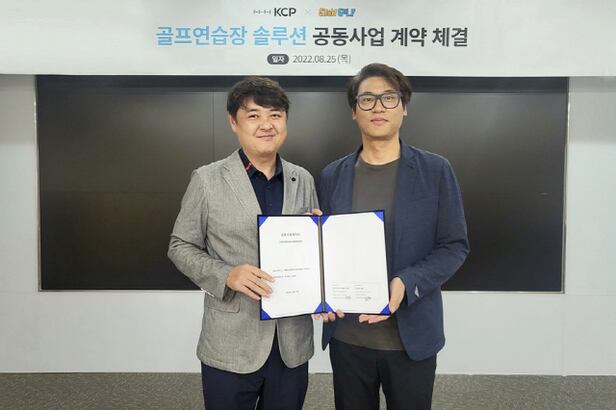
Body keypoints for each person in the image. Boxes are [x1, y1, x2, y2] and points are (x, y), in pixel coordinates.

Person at [315, 63, 470, 410]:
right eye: (367, 99)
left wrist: (406, 282)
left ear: (404, 107)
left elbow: (454, 246)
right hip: (348, 338)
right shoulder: (333, 175)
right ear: (354, 111)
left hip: (409, 338)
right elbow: (328, 248)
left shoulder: (435, 170)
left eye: (389, 98)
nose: (378, 107)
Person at [168, 77, 318, 410]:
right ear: (233, 122)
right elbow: (180, 245)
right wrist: (227, 275)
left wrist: (320, 239)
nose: (266, 124)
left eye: (275, 115)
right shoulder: (207, 179)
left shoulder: (302, 179)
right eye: (253, 115)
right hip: (231, 343)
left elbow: (310, 253)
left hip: (291, 343)